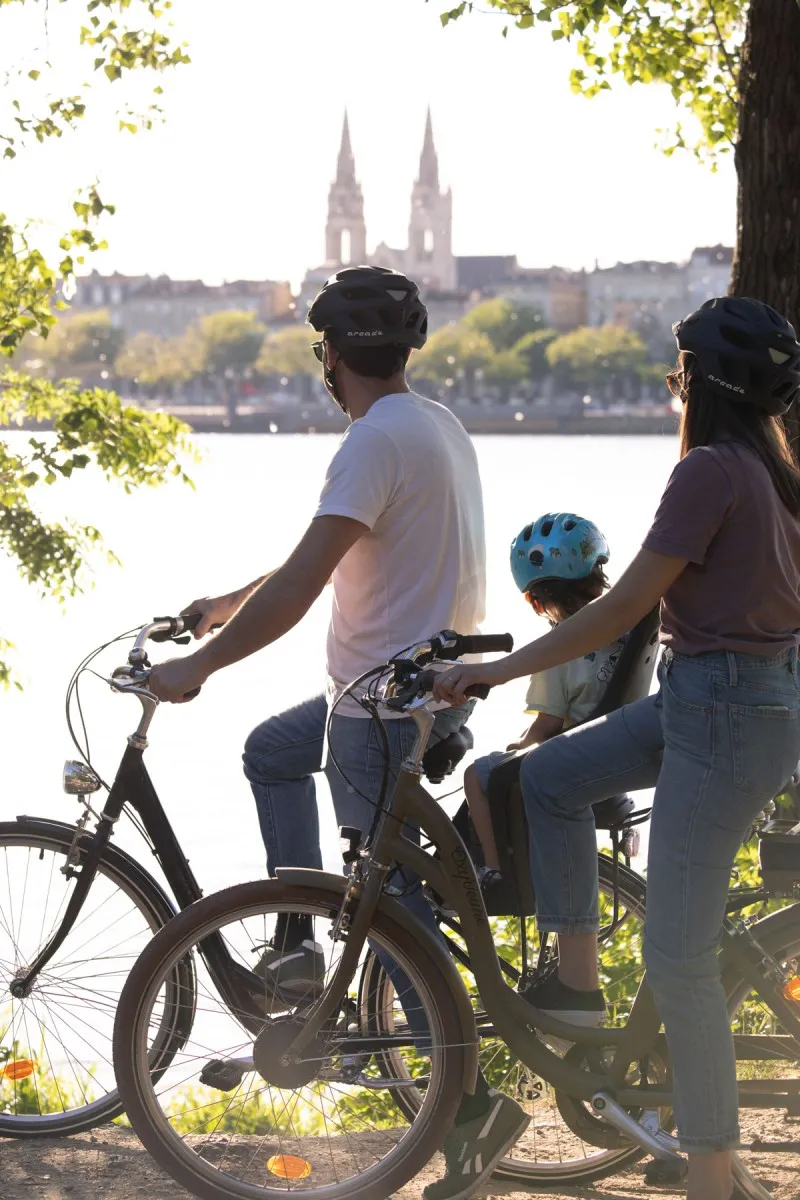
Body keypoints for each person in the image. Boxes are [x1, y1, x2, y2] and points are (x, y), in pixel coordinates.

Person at [148, 264, 529, 1200]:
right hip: (426, 695)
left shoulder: (371, 439)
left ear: (330, 356)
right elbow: (330, 547)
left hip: (377, 710)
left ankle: (472, 1111)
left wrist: (200, 665)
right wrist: (224, 604)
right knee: (273, 752)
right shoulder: (431, 423)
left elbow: (306, 582)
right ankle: (304, 939)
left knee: (395, 915)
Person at [433, 296, 800, 1200]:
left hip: (720, 711)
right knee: (545, 779)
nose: (674, 391)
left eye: (679, 375)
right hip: (711, 699)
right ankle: (577, 985)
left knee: (678, 960)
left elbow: (622, 605)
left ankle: (716, 1172)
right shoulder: (772, 472)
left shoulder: (711, 470)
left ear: (698, 385)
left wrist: (495, 671)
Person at [465, 512, 621, 913]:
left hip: (574, 754)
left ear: (536, 600)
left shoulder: (561, 644)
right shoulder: (627, 622)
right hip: (616, 745)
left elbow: (547, 725)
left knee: (478, 774)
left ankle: (495, 874)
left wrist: (516, 745)